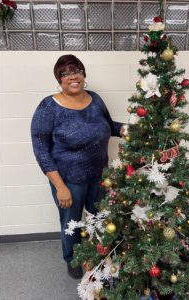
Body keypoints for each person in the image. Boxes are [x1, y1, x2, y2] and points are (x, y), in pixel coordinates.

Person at [31, 54, 125, 279]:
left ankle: (100, 253)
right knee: (71, 223)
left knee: (99, 218)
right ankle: (71, 259)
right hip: (68, 180)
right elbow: (42, 151)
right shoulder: (48, 107)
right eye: (65, 73)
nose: (72, 77)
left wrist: (128, 129)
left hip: (100, 175)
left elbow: (109, 126)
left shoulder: (95, 99)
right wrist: (60, 186)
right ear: (59, 79)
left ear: (84, 75)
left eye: (77, 71)